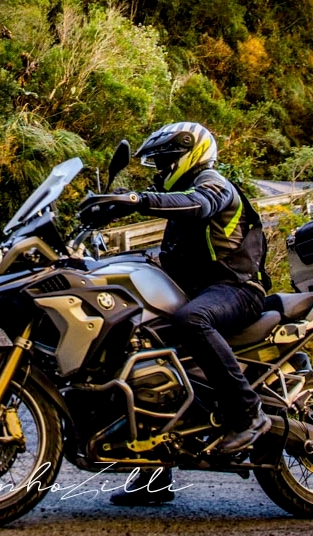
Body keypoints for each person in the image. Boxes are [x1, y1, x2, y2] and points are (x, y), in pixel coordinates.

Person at [98, 122, 270, 505]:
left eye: (165, 162)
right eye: (157, 165)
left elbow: (200, 204)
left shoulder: (213, 184)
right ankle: (154, 474)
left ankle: (247, 414)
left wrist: (138, 200)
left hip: (237, 289)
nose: (160, 172)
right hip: (202, 291)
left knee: (190, 321)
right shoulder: (181, 207)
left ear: (187, 156)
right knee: (139, 343)